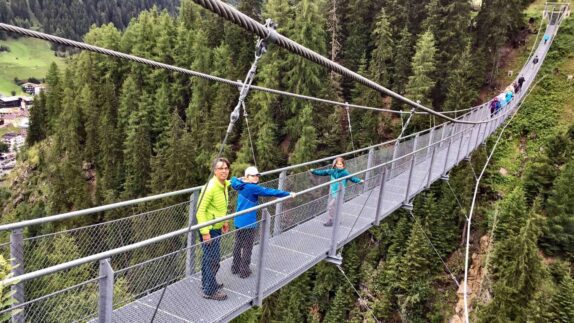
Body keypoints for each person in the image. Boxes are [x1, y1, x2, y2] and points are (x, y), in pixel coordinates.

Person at [230, 166, 295, 278]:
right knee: (247, 247)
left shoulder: (239, 184)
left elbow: (233, 178)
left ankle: (235, 267)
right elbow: (269, 191)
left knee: (238, 244)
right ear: (247, 177)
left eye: (257, 175)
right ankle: (244, 271)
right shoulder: (252, 188)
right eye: (253, 175)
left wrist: (241, 179)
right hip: (249, 222)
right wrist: (288, 194)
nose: (256, 177)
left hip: (238, 220)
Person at [196, 157, 232, 301]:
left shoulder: (223, 185)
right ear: (214, 171)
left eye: (226, 168)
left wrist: (225, 221)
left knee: (208, 258)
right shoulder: (210, 188)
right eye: (220, 168)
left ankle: (207, 283)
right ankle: (210, 291)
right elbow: (200, 211)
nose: (224, 171)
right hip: (209, 229)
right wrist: (205, 233)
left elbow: (221, 207)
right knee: (213, 260)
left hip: (216, 227)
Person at [310, 157, 364, 226]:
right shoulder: (333, 171)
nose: (339, 166)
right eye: (338, 164)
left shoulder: (345, 172)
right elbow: (323, 172)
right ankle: (337, 219)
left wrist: (359, 181)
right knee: (332, 205)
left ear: (343, 165)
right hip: (332, 190)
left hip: (339, 192)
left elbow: (352, 178)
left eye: (340, 164)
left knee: (331, 205)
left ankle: (331, 220)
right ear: (335, 165)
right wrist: (314, 171)